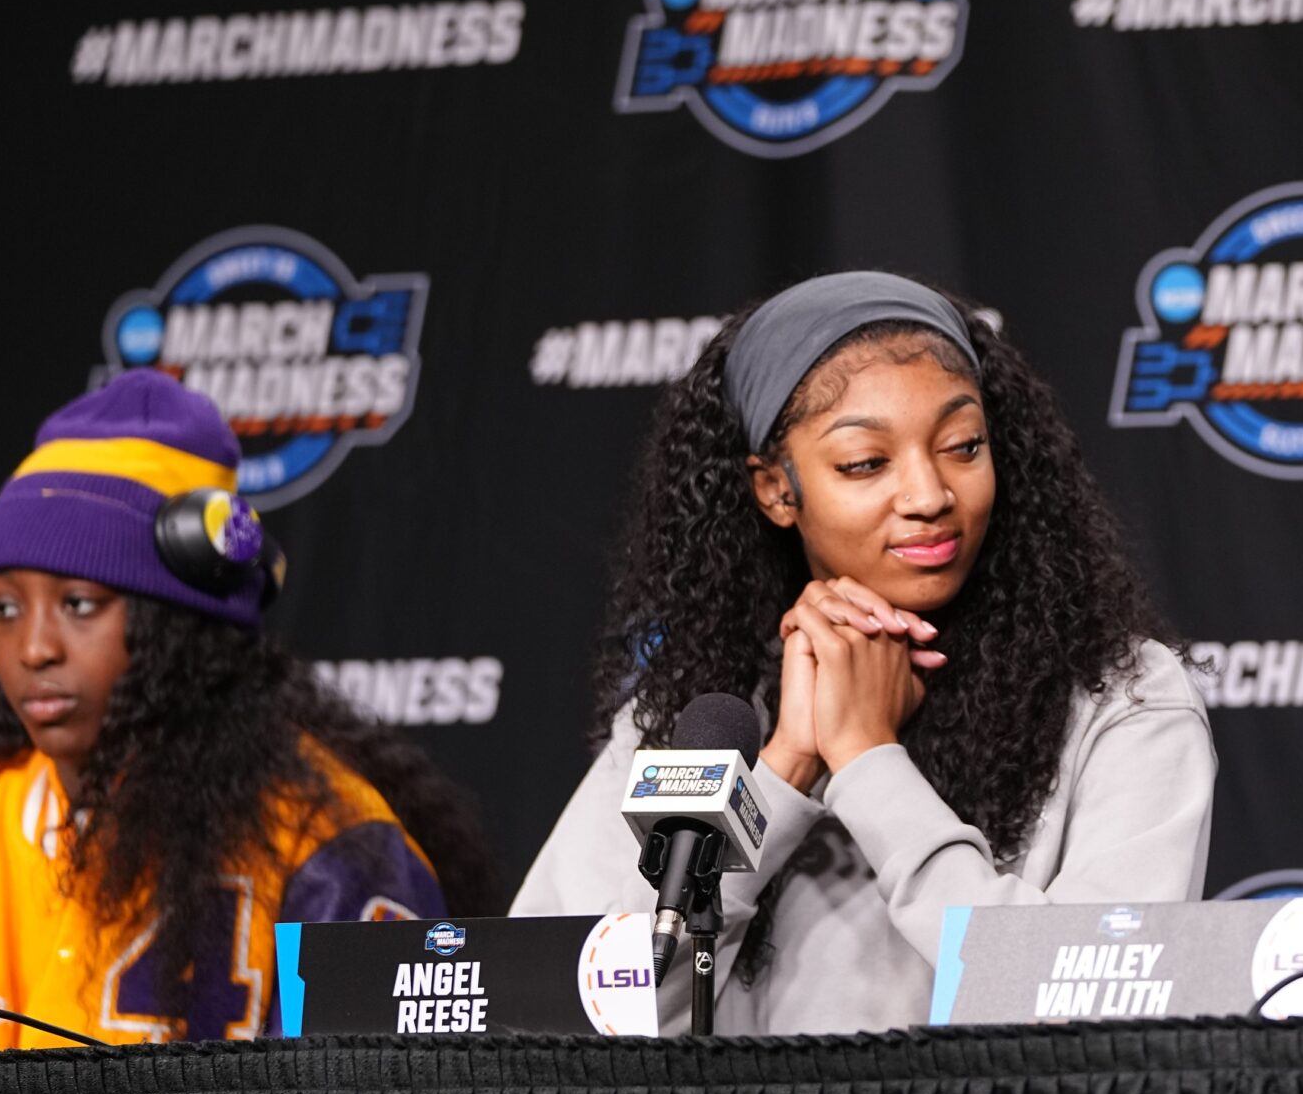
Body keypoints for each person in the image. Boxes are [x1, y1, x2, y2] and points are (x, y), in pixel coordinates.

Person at [514, 271, 1214, 1034]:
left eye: (962, 446)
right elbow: (568, 1022)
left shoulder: (1122, 694)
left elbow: (1100, 1002)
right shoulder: (705, 716)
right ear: (777, 489)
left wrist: (870, 762)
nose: (928, 494)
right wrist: (782, 771)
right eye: (865, 463)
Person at [0, 371, 498, 1051]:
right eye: (5, 607)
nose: (33, 646)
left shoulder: (323, 840)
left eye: (79, 604)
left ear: (178, 627)